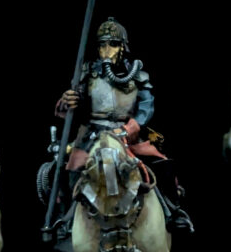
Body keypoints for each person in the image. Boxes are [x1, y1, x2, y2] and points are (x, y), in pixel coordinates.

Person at [55, 17, 192, 231]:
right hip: (92, 135)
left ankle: (172, 211)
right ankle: (66, 220)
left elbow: (146, 105)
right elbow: (74, 104)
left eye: (113, 44)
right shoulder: (88, 73)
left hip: (128, 135)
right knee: (70, 168)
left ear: (123, 47)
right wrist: (68, 101)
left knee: (161, 163)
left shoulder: (137, 75)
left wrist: (132, 127)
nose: (106, 50)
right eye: (102, 44)